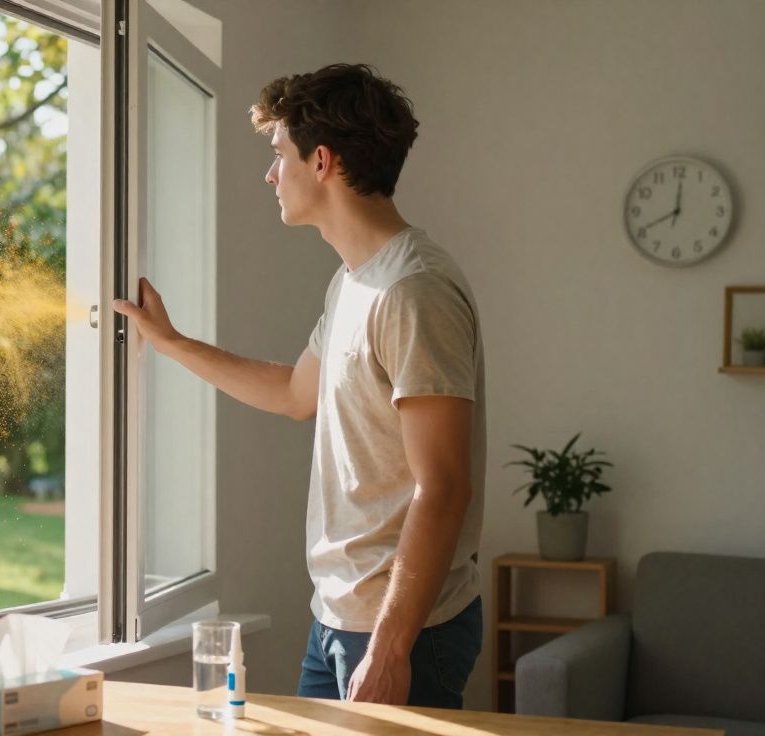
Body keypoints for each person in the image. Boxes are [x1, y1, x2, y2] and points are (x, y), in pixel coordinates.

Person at [112, 63, 485, 708]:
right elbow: (294, 394)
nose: (270, 174)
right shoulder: (354, 281)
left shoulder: (412, 291)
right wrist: (171, 342)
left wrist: (390, 650)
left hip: (403, 632)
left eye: (278, 153)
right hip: (338, 617)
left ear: (321, 161)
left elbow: (444, 486)